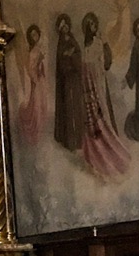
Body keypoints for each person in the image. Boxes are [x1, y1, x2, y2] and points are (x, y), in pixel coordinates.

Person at [79, 13, 130, 180]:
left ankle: (110, 148)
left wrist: (105, 45)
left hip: (98, 83)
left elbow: (106, 62)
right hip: (88, 88)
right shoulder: (85, 47)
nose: (93, 28)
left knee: (103, 113)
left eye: (94, 24)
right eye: (90, 26)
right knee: (91, 117)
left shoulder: (98, 43)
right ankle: (95, 151)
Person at [52, 14, 85, 154]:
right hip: (67, 80)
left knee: (76, 107)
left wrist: (72, 56)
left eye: (66, 26)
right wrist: (67, 57)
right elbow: (61, 63)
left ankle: (79, 140)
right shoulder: (61, 43)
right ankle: (70, 141)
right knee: (69, 108)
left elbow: (78, 54)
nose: (65, 28)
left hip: (75, 79)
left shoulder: (72, 40)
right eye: (62, 26)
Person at [16, 23, 49, 147]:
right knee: (37, 105)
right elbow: (30, 68)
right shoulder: (33, 52)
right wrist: (36, 78)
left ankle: (42, 130)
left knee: (43, 103)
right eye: (32, 35)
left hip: (42, 80)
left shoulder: (39, 49)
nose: (35, 37)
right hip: (37, 81)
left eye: (36, 34)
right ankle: (36, 131)